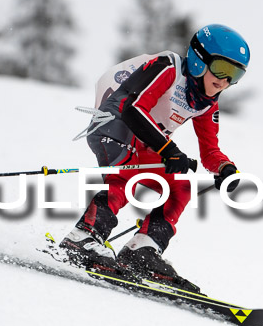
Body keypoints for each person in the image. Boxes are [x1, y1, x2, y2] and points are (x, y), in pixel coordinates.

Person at [60, 24, 250, 291]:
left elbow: (209, 149)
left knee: (181, 184)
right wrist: (169, 150)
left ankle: (142, 251)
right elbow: (133, 109)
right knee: (125, 171)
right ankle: (83, 236)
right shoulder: (169, 67)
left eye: (235, 74)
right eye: (222, 69)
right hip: (112, 122)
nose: (225, 81)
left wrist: (225, 167)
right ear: (199, 60)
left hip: (144, 139)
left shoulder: (206, 102)